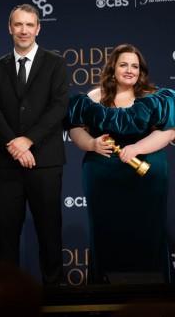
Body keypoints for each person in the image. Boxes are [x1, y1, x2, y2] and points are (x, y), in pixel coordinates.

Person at [67, 44, 175, 284]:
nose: (129, 70)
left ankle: (153, 295)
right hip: (103, 177)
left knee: (148, 233)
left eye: (135, 66)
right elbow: (75, 130)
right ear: (112, 68)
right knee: (106, 234)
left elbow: (168, 134)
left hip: (146, 175)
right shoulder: (91, 98)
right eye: (123, 65)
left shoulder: (156, 98)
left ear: (141, 71)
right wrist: (93, 144)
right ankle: (103, 296)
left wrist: (136, 148)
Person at [0, 3, 68, 285]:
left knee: (49, 232)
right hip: (7, 165)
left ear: (38, 28)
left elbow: (58, 108)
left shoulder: (55, 63)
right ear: (10, 28)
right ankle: (5, 298)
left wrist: (29, 140)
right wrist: (14, 144)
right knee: (6, 235)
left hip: (45, 162)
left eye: (29, 25)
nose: (23, 30)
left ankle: (56, 296)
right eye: (18, 25)